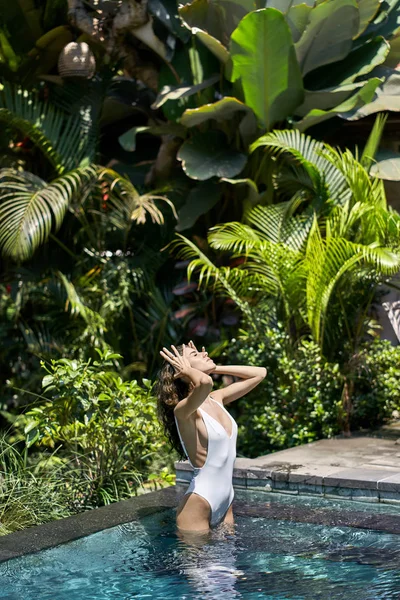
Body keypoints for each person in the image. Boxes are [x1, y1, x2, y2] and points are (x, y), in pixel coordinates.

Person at [155, 340, 266, 533]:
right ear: (183, 369)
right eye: (195, 355)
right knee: (197, 564)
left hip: (226, 499)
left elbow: (260, 373)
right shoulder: (183, 411)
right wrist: (192, 371)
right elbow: (205, 383)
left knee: (227, 562)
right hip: (199, 502)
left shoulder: (216, 399)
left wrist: (214, 367)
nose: (203, 354)